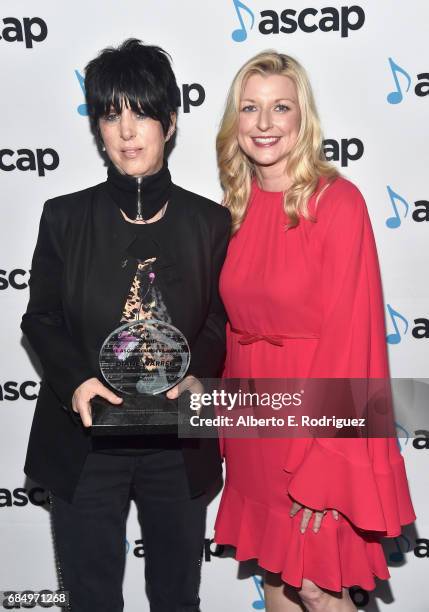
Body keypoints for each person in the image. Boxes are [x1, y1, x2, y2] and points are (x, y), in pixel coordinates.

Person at [22, 39, 230, 612]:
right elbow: (39, 317)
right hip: (85, 442)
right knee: (89, 600)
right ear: (98, 127)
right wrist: (75, 382)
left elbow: (218, 318)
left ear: (169, 120)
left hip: (174, 443)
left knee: (174, 598)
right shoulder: (63, 216)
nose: (127, 130)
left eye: (140, 112)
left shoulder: (210, 222)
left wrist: (195, 377)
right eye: (111, 114)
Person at [213, 51, 415, 611]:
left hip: (313, 427)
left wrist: (329, 462)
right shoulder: (232, 208)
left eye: (280, 107)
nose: (264, 123)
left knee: (322, 593)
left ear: (303, 118)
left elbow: (357, 341)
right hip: (255, 428)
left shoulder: (338, 203)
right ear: (235, 122)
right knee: (278, 582)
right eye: (249, 109)